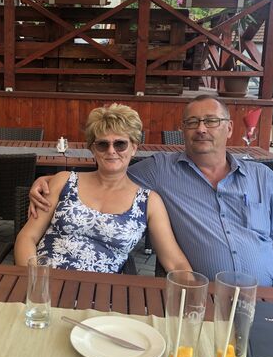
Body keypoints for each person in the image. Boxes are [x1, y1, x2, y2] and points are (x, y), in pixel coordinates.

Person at [29, 95, 273, 291]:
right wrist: (48, 179)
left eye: (211, 121)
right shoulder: (161, 170)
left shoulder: (262, 177)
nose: (201, 128)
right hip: (208, 294)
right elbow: (108, 175)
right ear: (183, 130)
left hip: (265, 293)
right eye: (192, 122)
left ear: (229, 128)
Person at [14, 104, 191, 274]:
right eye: (102, 144)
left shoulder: (149, 202)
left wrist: (190, 287)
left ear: (134, 148)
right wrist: (34, 280)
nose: (111, 151)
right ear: (93, 149)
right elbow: (27, 237)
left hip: (100, 291)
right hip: (45, 281)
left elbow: (175, 262)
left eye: (120, 144)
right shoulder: (64, 181)